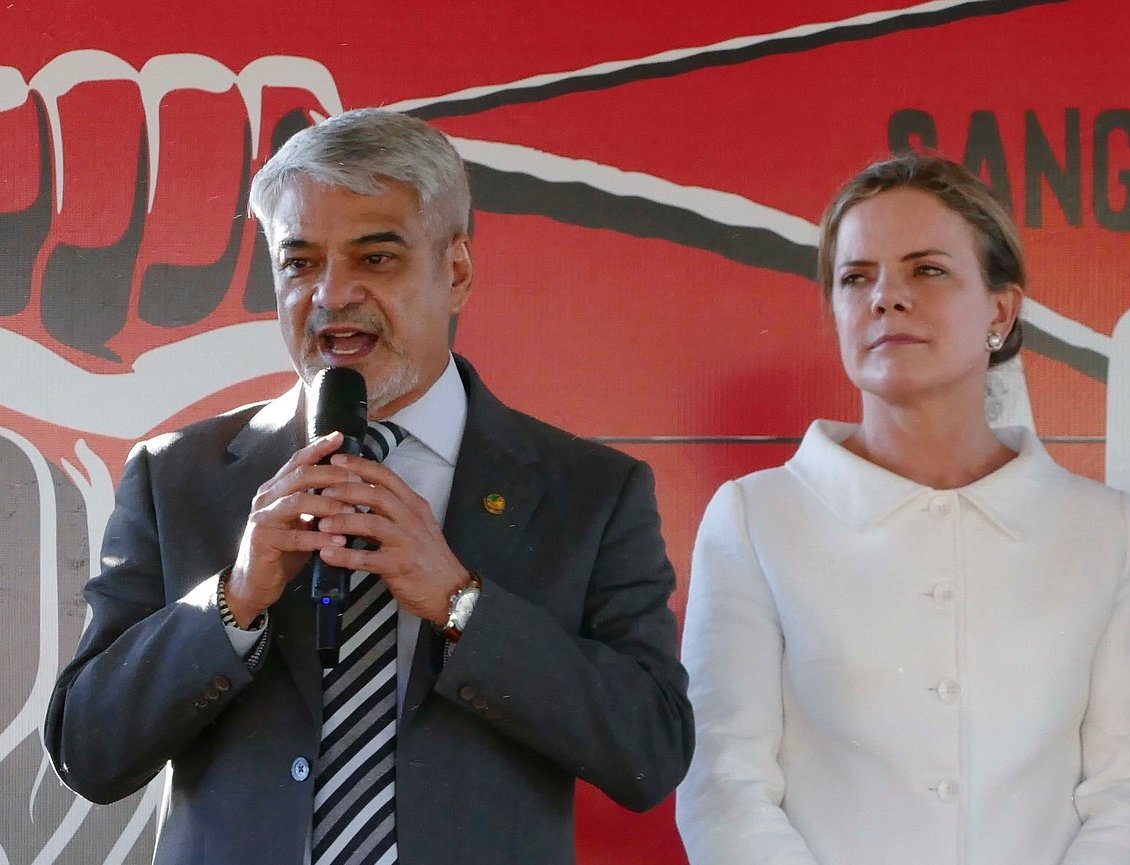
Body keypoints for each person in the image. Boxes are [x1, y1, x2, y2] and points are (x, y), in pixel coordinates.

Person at [44, 108, 693, 865]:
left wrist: (461, 603)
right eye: (300, 262)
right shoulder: (176, 475)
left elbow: (649, 750)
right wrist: (234, 597)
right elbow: (88, 752)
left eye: (374, 259)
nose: (331, 294)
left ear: (455, 272)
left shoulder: (590, 492)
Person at [675, 153, 1130, 865]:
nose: (886, 296)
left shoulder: (1104, 531)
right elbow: (723, 779)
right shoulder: (754, 520)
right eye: (856, 277)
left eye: (927, 269)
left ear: (999, 311)